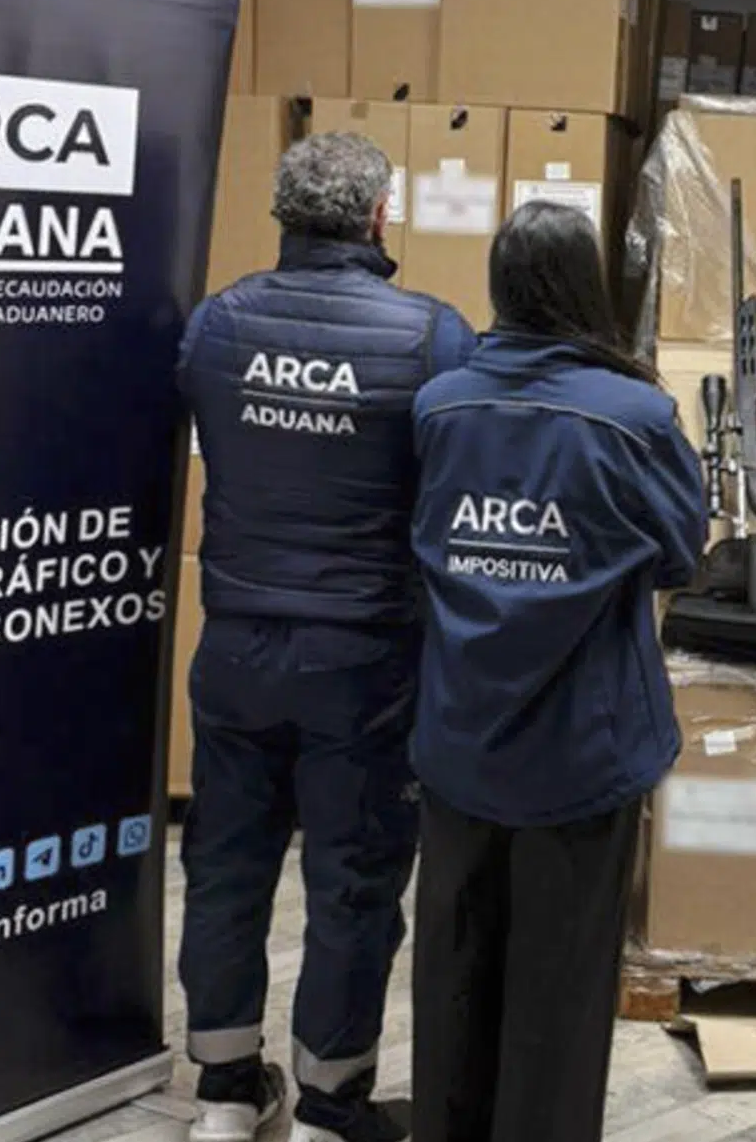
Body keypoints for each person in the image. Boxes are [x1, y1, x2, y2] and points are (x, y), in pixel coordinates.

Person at [177, 131, 477, 1142]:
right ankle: (329, 1104)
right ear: (380, 215)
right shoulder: (431, 337)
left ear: (282, 213)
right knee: (352, 878)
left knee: (225, 863)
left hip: (235, 645)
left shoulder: (218, 326)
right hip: (363, 659)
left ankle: (224, 1092)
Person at [405, 201, 707, 1142]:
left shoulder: (439, 405)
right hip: (584, 747)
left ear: (500, 285)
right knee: (562, 991)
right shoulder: (635, 417)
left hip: (459, 740)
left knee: (453, 972)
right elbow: (682, 552)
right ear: (587, 288)